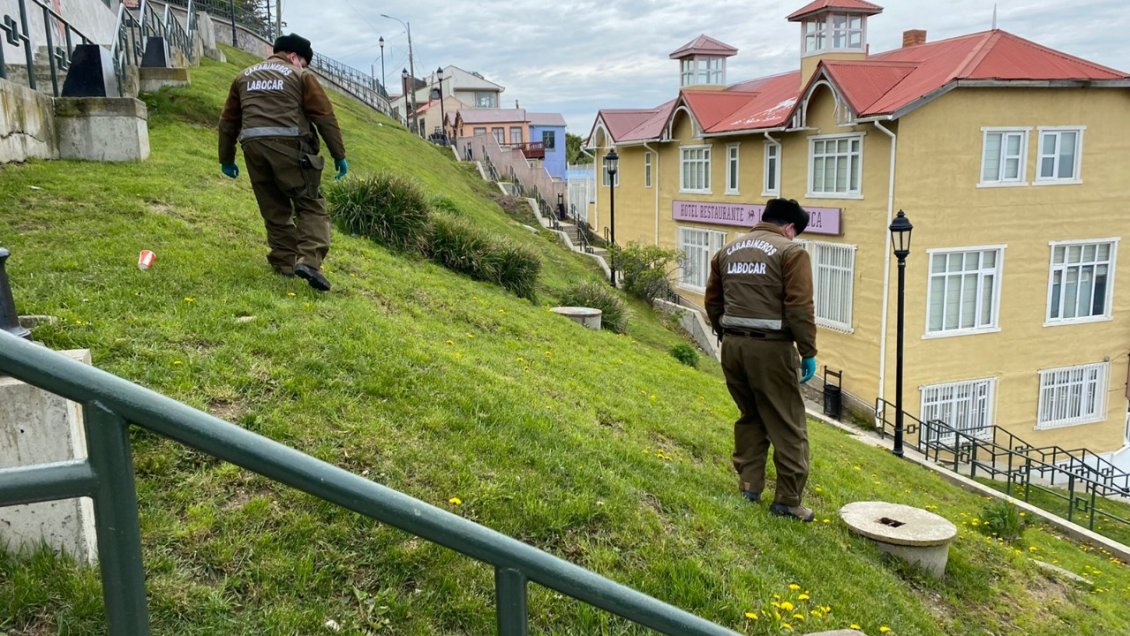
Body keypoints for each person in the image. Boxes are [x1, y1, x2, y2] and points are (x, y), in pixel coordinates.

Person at [704, 198, 818, 522]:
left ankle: (749, 485)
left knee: (750, 416)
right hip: (771, 350)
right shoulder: (791, 252)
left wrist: (726, 334)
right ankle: (788, 501)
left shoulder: (727, 251)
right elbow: (799, 306)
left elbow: (713, 301)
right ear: (790, 228)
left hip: (733, 347)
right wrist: (808, 351)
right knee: (788, 423)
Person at [218, 33, 348, 292]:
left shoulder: (243, 77)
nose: (303, 66)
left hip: (253, 148)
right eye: (304, 62)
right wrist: (339, 155)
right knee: (311, 204)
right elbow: (324, 116)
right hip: (291, 147)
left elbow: (228, 121)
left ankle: (284, 263)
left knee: (274, 207)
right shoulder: (300, 76)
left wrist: (226, 159)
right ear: (293, 56)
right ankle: (308, 261)